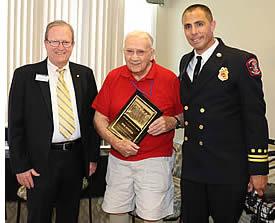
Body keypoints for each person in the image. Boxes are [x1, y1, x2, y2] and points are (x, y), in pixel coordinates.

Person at [179, 4, 269, 223]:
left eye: (199, 24)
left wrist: (257, 168)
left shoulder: (239, 61)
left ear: (213, 25)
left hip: (226, 168)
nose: (193, 32)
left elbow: (255, 118)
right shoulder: (185, 62)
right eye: (187, 26)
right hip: (193, 168)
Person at [8, 20, 100, 223]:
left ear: (73, 44)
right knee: (39, 216)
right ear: (45, 43)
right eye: (55, 42)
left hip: (75, 159)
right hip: (41, 162)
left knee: (69, 216)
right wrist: (20, 166)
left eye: (66, 42)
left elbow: (92, 120)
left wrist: (92, 157)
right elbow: (16, 125)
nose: (61, 47)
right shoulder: (25, 76)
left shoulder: (84, 75)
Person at [92, 31, 183, 223]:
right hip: (119, 159)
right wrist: (116, 143)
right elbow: (99, 118)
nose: (134, 58)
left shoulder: (169, 79)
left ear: (152, 53)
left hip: (155, 161)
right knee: (116, 213)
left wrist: (172, 121)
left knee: (152, 217)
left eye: (140, 52)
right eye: (129, 51)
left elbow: (184, 115)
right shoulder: (113, 77)